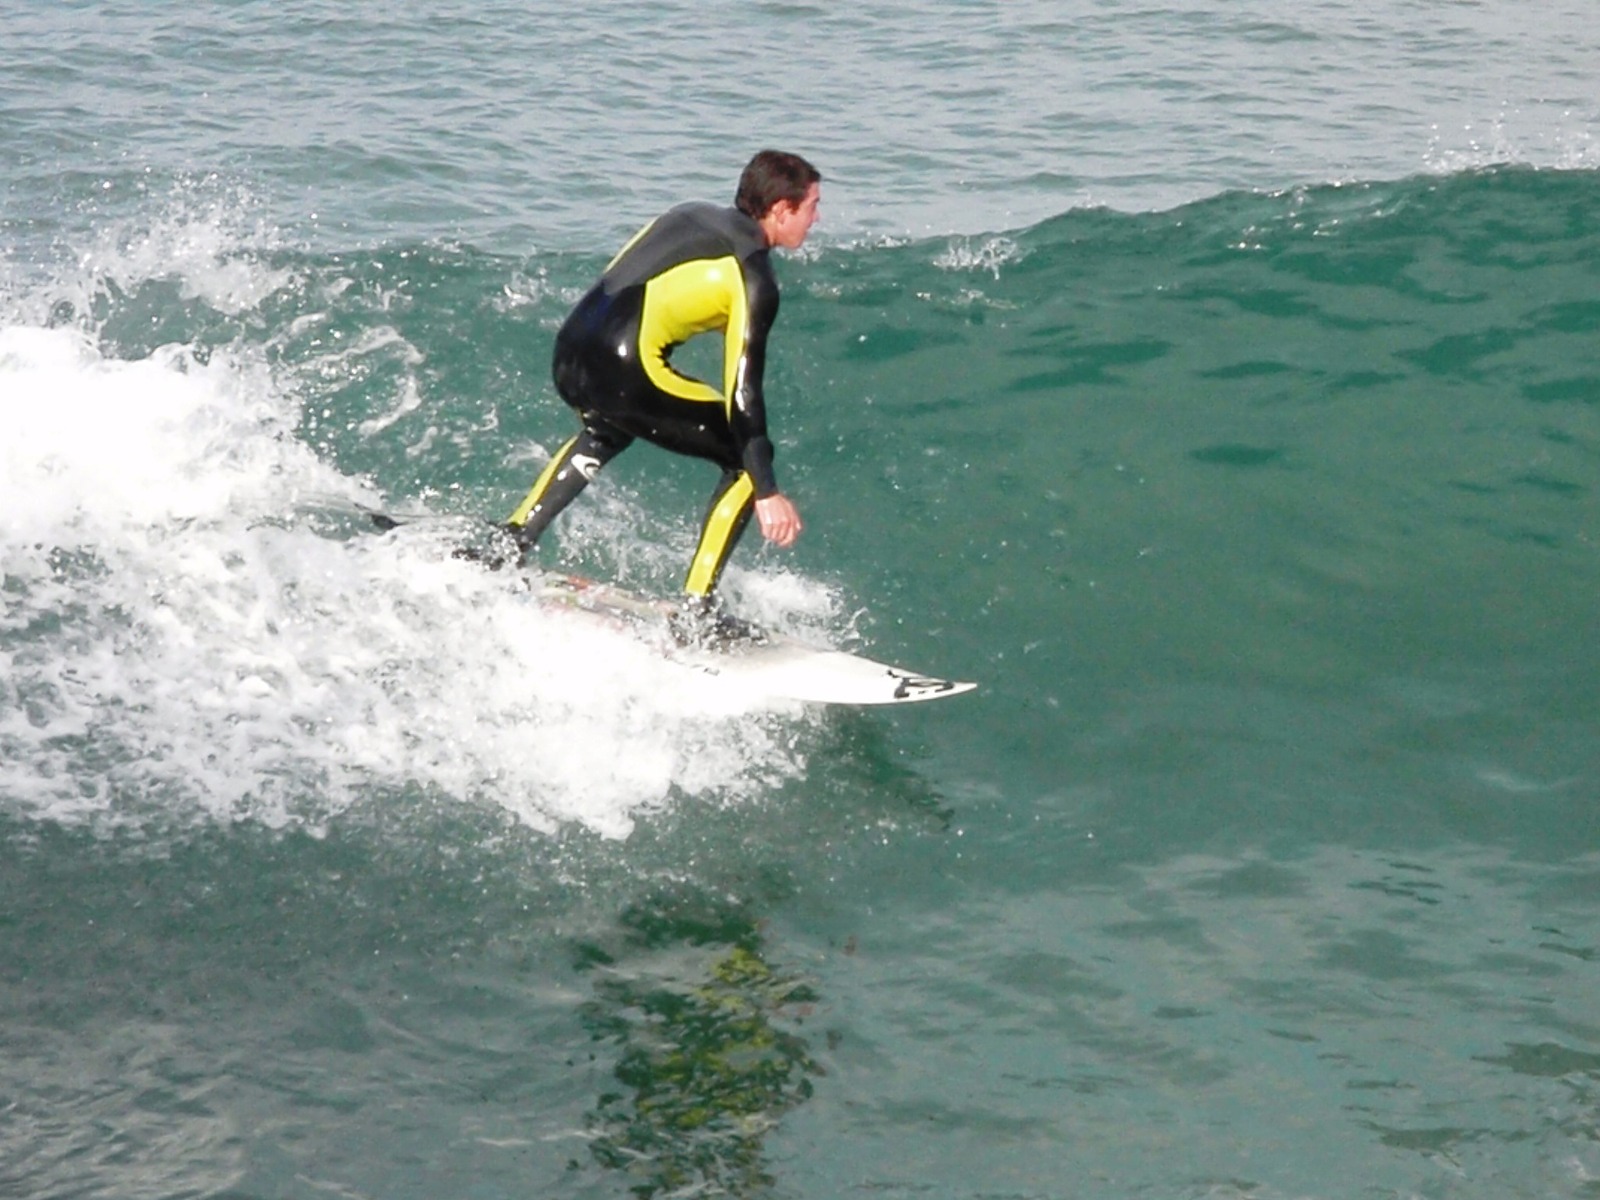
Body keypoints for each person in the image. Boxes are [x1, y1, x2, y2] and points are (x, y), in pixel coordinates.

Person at [497, 150, 822, 632]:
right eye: (812, 206)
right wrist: (767, 489)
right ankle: (697, 612)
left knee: (607, 426)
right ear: (781, 209)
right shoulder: (753, 275)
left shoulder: (686, 213)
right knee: (745, 458)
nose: (816, 219)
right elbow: (743, 394)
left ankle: (510, 543)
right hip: (624, 371)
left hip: (569, 353)